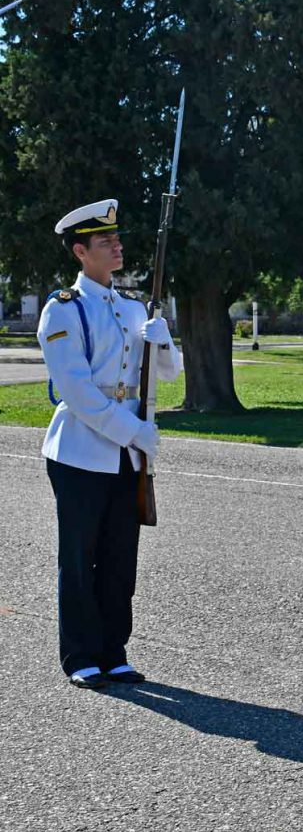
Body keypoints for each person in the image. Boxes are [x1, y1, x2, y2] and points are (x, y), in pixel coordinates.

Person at [37, 199, 182, 689]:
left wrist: (163, 341)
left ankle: (114, 650)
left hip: (126, 454)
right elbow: (76, 392)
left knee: (121, 556)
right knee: (79, 558)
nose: (117, 246)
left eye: (116, 239)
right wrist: (132, 431)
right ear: (81, 251)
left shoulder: (132, 307)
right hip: (79, 452)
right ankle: (81, 654)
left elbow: (167, 373)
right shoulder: (63, 310)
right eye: (105, 241)